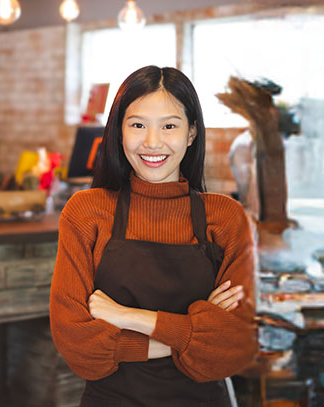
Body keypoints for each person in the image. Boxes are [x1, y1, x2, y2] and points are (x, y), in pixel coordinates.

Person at [50, 66, 257, 406]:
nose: (152, 142)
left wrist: (126, 317)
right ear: (119, 131)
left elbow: (234, 347)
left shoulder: (226, 218)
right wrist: (191, 334)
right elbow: (78, 346)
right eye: (138, 125)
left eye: (169, 126)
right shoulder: (86, 212)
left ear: (191, 133)